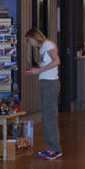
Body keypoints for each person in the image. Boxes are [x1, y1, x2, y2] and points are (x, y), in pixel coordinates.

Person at [24, 28, 62, 160]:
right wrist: (38, 70)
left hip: (50, 84)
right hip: (46, 83)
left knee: (49, 117)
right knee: (46, 116)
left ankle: (55, 149)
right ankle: (51, 147)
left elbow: (57, 61)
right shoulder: (43, 47)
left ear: (34, 37)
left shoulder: (47, 45)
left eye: (29, 40)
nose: (29, 44)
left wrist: (39, 70)